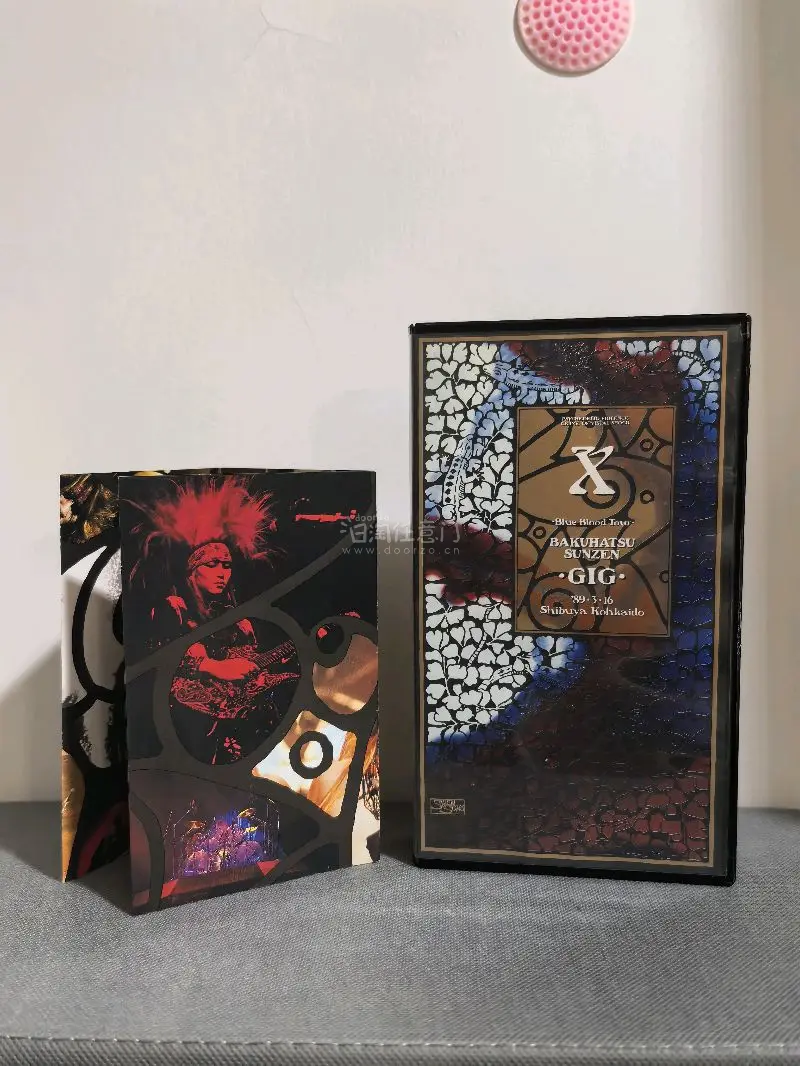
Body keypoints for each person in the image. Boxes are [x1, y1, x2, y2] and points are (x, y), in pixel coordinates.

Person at [133, 478, 298, 764]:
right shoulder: (175, 607)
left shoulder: (237, 618)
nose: (222, 573)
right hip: (187, 721)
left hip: (239, 716)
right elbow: (154, 651)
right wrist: (212, 666)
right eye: (212, 565)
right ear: (193, 570)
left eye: (227, 566)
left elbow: (248, 659)